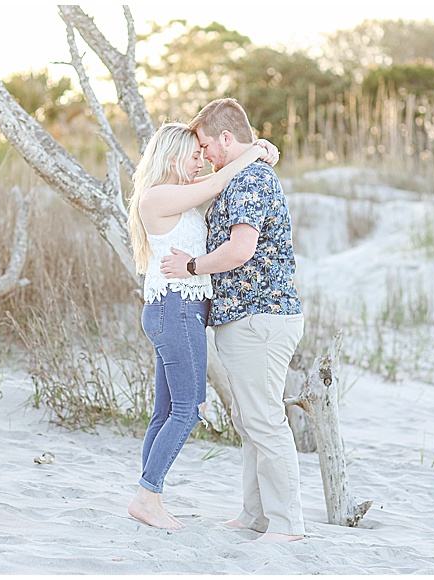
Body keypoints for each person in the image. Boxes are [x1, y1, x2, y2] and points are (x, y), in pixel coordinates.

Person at [160, 98, 305, 543]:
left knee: (263, 420)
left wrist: (191, 267)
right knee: (249, 420)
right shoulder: (241, 174)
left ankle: (286, 525)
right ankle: (255, 515)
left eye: (206, 145)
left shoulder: (250, 180)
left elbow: (241, 250)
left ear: (226, 138)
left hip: (260, 317)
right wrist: (260, 147)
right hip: (247, 317)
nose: (204, 156)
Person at [126, 122, 279, 530]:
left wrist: (257, 148)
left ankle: (149, 495)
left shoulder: (176, 197)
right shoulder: (158, 195)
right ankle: (147, 495)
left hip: (177, 309)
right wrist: (255, 152)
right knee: (190, 409)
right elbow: (218, 183)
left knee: (164, 412)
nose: (200, 162)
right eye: (194, 156)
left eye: (202, 154)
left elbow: (216, 180)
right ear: (173, 156)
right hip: (176, 309)